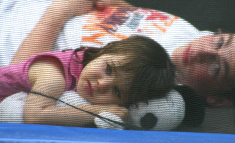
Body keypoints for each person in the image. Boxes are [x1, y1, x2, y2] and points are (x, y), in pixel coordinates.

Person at [0, 0, 235, 107]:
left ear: (219, 100)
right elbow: (137, 22)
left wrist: (60, 10)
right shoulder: (195, 37)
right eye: (220, 40)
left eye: (215, 67)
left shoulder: (149, 88)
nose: (200, 50)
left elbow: (16, 77)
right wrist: (111, 2)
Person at [0, 35, 176, 127]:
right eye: (108, 69)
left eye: (116, 91)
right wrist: (99, 110)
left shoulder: (85, 73)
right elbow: (35, 116)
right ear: (105, 49)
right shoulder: (54, 74)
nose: (102, 84)